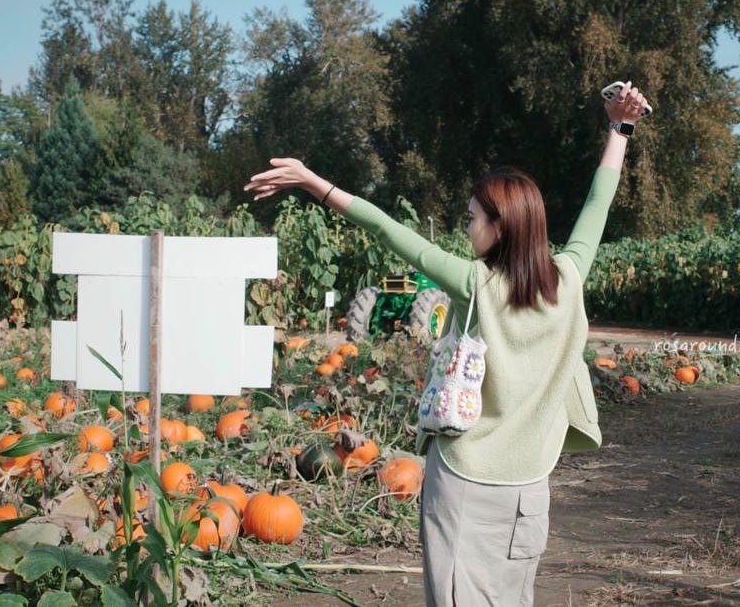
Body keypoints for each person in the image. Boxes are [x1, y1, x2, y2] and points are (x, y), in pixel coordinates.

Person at [245, 83, 652, 606]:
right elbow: (601, 198)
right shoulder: (570, 277)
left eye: (471, 219)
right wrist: (620, 128)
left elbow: (387, 229)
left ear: (499, 228)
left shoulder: (473, 283)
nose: (466, 229)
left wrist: (309, 181)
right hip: (530, 489)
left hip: (464, 481)